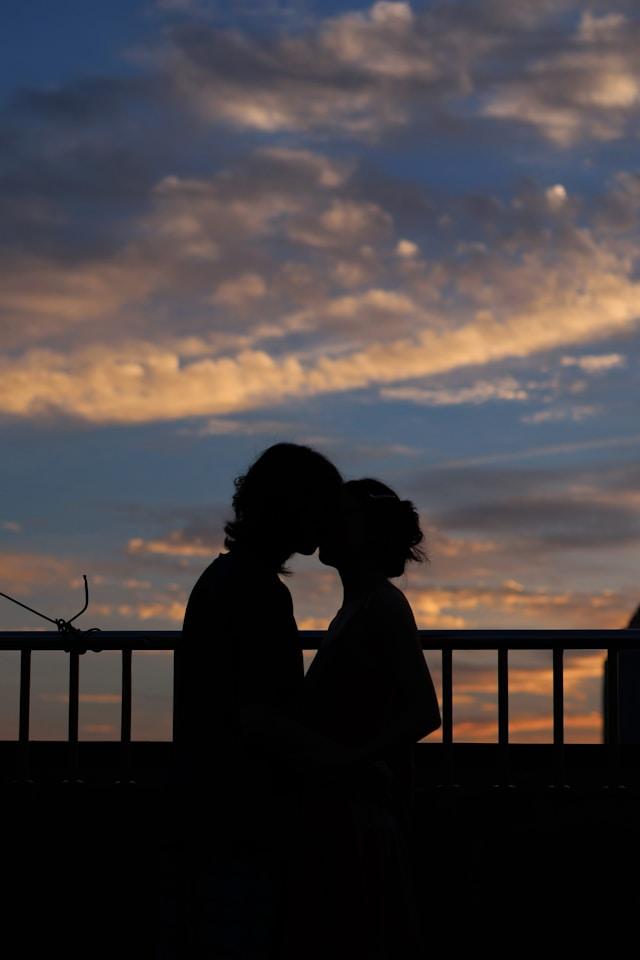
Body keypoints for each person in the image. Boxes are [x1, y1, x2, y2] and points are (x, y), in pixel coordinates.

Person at [169, 443, 348, 957]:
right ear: (293, 508)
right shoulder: (256, 590)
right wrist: (345, 763)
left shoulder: (223, 578)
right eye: (321, 506)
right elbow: (260, 716)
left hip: (211, 813)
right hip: (241, 820)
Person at [282, 478, 441, 960]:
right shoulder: (358, 607)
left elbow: (423, 711)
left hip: (360, 814)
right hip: (347, 806)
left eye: (340, 515)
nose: (326, 525)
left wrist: (350, 761)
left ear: (367, 531)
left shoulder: (384, 606)